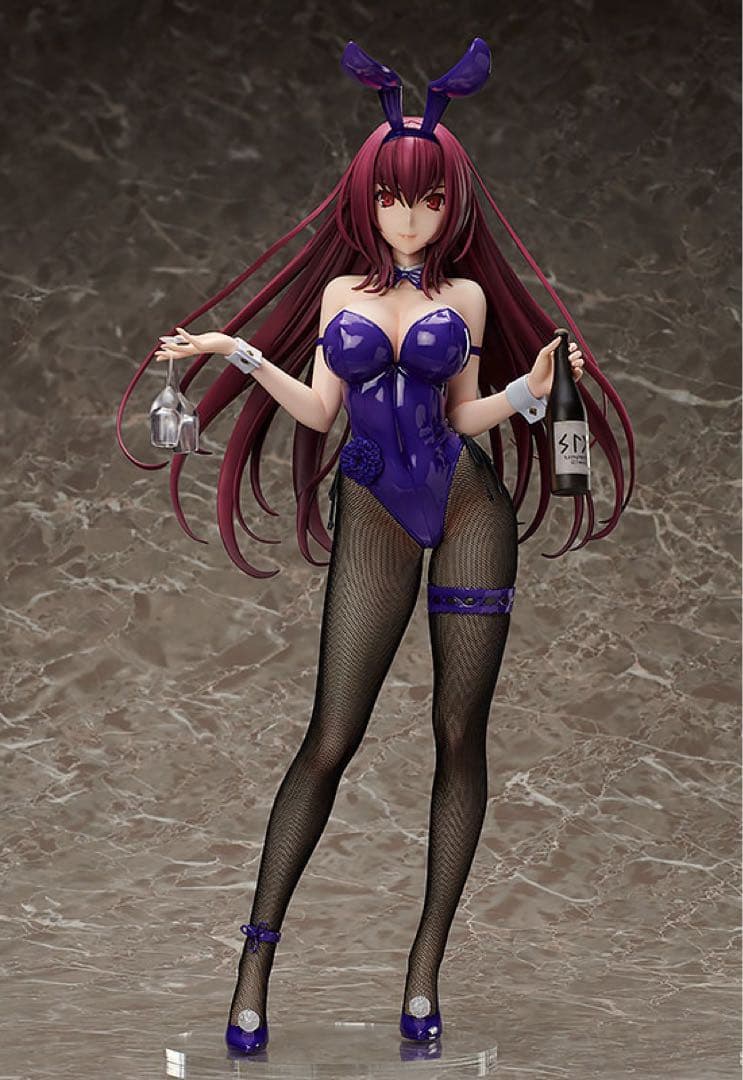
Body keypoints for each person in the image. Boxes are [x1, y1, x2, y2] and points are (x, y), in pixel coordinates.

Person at [117, 38, 634, 1055]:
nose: (408, 217)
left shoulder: (464, 300)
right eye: (393, 198)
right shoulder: (340, 298)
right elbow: (320, 412)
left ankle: (423, 972)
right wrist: (234, 351)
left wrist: (531, 390)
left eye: (427, 200)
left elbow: (467, 413)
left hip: (468, 506)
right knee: (330, 738)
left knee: (458, 734)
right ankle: (254, 965)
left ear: (448, 205)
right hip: (375, 508)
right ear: (367, 199)